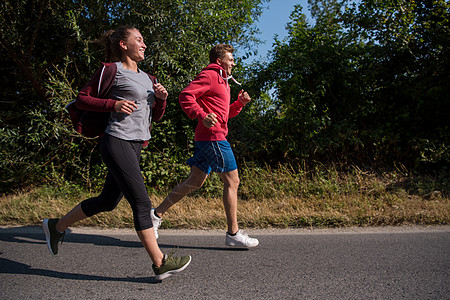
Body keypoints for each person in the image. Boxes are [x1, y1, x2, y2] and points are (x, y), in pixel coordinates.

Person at [43, 26, 191, 280]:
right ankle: (160, 263)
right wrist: (114, 104)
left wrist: (162, 99)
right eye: (139, 39)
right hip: (116, 141)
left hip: (136, 145)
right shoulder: (111, 70)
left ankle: (56, 226)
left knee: (108, 201)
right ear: (123, 44)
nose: (144, 44)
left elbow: (153, 116)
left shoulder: (149, 78)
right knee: (142, 203)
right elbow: (81, 99)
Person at [151, 44, 259, 248]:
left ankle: (156, 215)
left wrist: (239, 105)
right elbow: (185, 95)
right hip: (214, 138)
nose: (233, 63)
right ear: (219, 61)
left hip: (207, 138)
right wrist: (201, 116)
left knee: (194, 181)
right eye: (230, 59)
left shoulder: (223, 82)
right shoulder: (210, 76)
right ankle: (233, 233)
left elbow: (223, 114)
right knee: (232, 181)